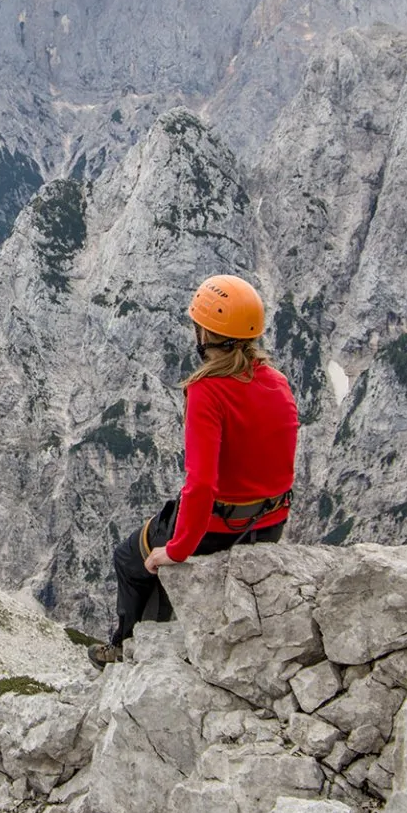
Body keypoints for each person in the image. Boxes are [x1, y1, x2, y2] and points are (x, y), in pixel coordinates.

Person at [89, 274, 299, 667]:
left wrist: (177, 549)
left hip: (219, 527)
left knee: (129, 558)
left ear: (204, 333)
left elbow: (202, 483)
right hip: (270, 522)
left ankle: (122, 649)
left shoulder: (207, 391)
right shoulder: (278, 381)